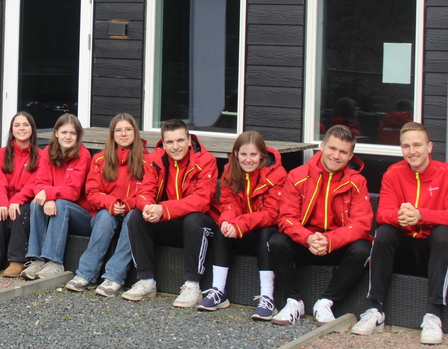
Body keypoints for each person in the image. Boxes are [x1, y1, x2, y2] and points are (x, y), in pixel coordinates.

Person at [351, 122, 448, 344]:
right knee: (384, 232)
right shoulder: (394, 173)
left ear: (430, 146)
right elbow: (383, 214)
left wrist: (421, 215)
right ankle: (375, 311)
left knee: (444, 233)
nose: (412, 151)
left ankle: (434, 315)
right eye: (406, 146)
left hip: (435, 253)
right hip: (404, 252)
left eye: (417, 145)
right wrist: (401, 216)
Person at [269, 124, 373, 325]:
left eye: (343, 152)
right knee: (277, 241)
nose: (336, 155)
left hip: (336, 245)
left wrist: (330, 240)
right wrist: (307, 237)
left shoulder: (357, 182)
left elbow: (362, 224)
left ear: (351, 155)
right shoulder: (298, 175)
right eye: (332, 149)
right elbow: (286, 217)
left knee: (362, 248)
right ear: (322, 146)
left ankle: (326, 303)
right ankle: (293, 302)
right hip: (306, 242)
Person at [123, 118, 219, 308]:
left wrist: (164, 209)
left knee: (193, 220)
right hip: (172, 222)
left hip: (204, 226)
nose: (176, 147)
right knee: (136, 217)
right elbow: (144, 192)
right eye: (170, 142)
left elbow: (202, 201)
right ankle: (146, 281)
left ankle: (193, 286)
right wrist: (149, 208)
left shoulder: (206, 160)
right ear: (163, 143)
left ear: (189, 140)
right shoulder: (154, 160)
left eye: (180, 141)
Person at [197, 131, 285, 320]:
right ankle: (218, 291)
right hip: (243, 229)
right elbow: (229, 202)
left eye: (253, 155)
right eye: (243, 154)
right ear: (236, 153)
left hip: (265, 231)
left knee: (266, 232)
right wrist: (229, 220)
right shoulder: (230, 170)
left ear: (262, 155)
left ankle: (268, 298)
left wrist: (241, 224)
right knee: (222, 226)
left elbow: (272, 213)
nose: (248, 160)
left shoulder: (277, 174)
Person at [64, 113, 146, 298]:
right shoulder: (100, 159)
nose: (123, 134)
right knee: (105, 216)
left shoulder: (146, 160)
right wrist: (111, 203)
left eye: (128, 129)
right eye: (119, 130)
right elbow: (92, 192)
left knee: (134, 218)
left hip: (132, 213)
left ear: (135, 132)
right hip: (106, 214)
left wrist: (126, 204)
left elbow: (148, 194)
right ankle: (85, 274)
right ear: (112, 134)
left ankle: (114, 277)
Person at [22, 113, 91, 280]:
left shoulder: (83, 155)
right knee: (36, 204)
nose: (68, 137)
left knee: (60, 205)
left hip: (80, 214)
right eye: (64, 132)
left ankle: (54, 262)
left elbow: (74, 192)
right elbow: (39, 184)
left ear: (78, 136)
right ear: (56, 133)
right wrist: (49, 197)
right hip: (55, 203)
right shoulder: (48, 151)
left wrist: (50, 194)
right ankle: (36, 259)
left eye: (72, 133)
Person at [0, 111, 40, 278]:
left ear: (32, 129)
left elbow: (34, 183)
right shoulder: (2, 154)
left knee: (20, 212)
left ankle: (17, 260)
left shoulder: (40, 155)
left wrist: (17, 200)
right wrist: (2, 202)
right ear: (12, 129)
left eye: (25, 125)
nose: (21, 128)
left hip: (26, 199)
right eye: (17, 125)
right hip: (6, 198)